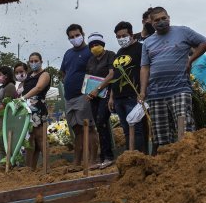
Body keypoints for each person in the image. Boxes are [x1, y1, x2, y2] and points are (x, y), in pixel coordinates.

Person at [139, 7, 206, 151]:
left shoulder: (183, 31)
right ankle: (166, 165)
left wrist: (190, 59)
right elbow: (145, 67)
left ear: (169, 17)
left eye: (164, 18)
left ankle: (188, 159)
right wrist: (143, 91)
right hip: (156, 94)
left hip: (180, 89)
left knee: (185, 130)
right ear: (151, 23)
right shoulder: (148, 42)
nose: (161, 22)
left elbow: (204, 43)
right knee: (161, 136)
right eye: (157, 20)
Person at [61, 24, 98, 169]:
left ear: (82, 34)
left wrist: (90, 89)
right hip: (69, 97)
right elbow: (64, 72)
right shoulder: (68, 53)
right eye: (71, 37)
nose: (74, 38)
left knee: (89, 127)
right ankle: (77, 162)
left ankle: (93, 160)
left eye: (77, 35)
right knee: (77, 130)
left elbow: (96, 71)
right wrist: (68, 81)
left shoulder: (90, 51)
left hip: (84, 95)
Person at [110, 21, 147, 153]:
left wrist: (142, 92)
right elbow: (115, 75)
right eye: (118, 37)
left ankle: (139, 156)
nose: (121, 39)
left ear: (131, 34)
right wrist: (111, 97)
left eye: (124, 35)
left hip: (134, 96)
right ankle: (130, 155)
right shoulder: (119, 52)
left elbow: (145, 70)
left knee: (136, 128)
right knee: (126, 130)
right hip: (119, 97)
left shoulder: (141, 48)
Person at [85, 33, 116, 169]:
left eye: (97, 44)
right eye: (91, 45)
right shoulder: (91, 60)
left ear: (102, 44)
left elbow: (112, 74)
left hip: (107, 93)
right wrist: (88, 92)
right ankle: (103, 157)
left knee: (102, 121)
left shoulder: (110, 55)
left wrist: (98, 89)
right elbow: (88, 78)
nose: (94, 47)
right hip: (94, 96)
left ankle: (109, 156)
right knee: (98, 124)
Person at [23, 53, 51, 170]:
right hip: (28, 108)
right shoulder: (29, 75)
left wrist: (24, 97)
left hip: (38, 107)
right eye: (31, 61)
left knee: (40, 137)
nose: (33, 63)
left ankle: (46, 166)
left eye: (36, 60)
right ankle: (30, 167)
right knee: (30, 138)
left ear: (41, 61)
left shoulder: (45, 74)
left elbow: (39, 87)